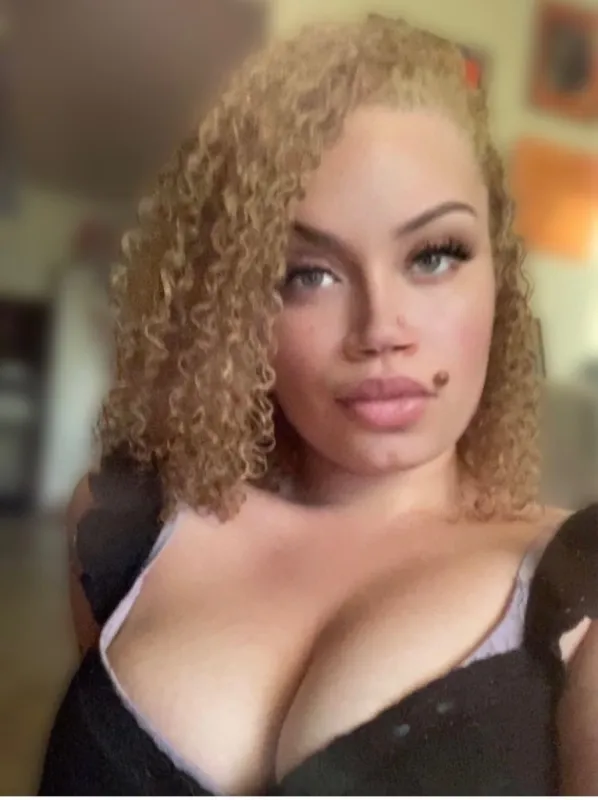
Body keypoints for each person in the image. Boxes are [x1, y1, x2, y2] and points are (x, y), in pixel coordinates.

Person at [40, 14, 598, 796]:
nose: (381, 330)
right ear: (234, 307)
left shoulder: (580, 583)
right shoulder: (122, 525)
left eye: (433, 256)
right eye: (306, 274)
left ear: (498, 277)